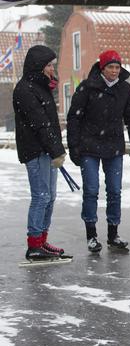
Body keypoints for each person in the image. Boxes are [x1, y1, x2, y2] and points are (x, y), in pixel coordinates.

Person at [67, 50, 130, 253]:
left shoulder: (125, 89)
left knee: (115, 191)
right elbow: (74, 117)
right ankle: (91, 235)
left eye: (117, 67)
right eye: (111, 67)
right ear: (102, 68)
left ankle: (113, 234)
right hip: (89, 146)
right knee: (91, 190)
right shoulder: (87, 87)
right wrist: (73, 146)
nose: (115, 71)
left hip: (114, 147)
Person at [13, 45, 68, 260]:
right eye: (49, 65)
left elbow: (50, 124)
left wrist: (55, 150)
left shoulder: (41, 87)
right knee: (41, 196)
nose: (52, 69)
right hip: (35, 151)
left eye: (53, 65)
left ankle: (42, 241)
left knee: (50, 196)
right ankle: (34, 243)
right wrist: (55, 151)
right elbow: (40, 124)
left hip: (47, 149)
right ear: (38, 66)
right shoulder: (25, 89)